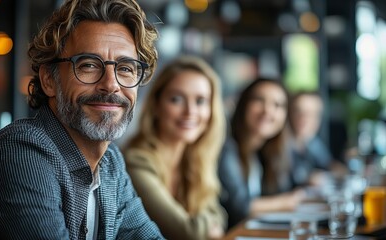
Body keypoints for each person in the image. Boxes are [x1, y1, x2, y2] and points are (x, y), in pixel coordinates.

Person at [0, 0, 164, 239]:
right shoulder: (21, 153)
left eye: (126, 68)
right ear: (48, 80)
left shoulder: (111, 163)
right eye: (88, 65)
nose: (111, 84)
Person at [123, 55, 227, 240]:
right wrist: (209, 224)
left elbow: (222, 216)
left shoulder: (196, 159)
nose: (190, 112)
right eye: (176, 99)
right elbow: (187, 233)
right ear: (156, 105)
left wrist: (210, 222)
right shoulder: (137, 161)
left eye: (201, 101)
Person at [218, 78, 306, 229]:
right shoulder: (227, 147)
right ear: (243, 105)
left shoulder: (260, 153)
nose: (268, 110)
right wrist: (285, 202)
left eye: (277, 105)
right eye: (259, 100)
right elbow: (239, 207)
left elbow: (281, 188)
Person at [288, 91, 335, 187]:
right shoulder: (277, 147)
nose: (304, 119)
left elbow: (330, 165)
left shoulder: (312, 143)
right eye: (299, 112)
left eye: (312, 114)